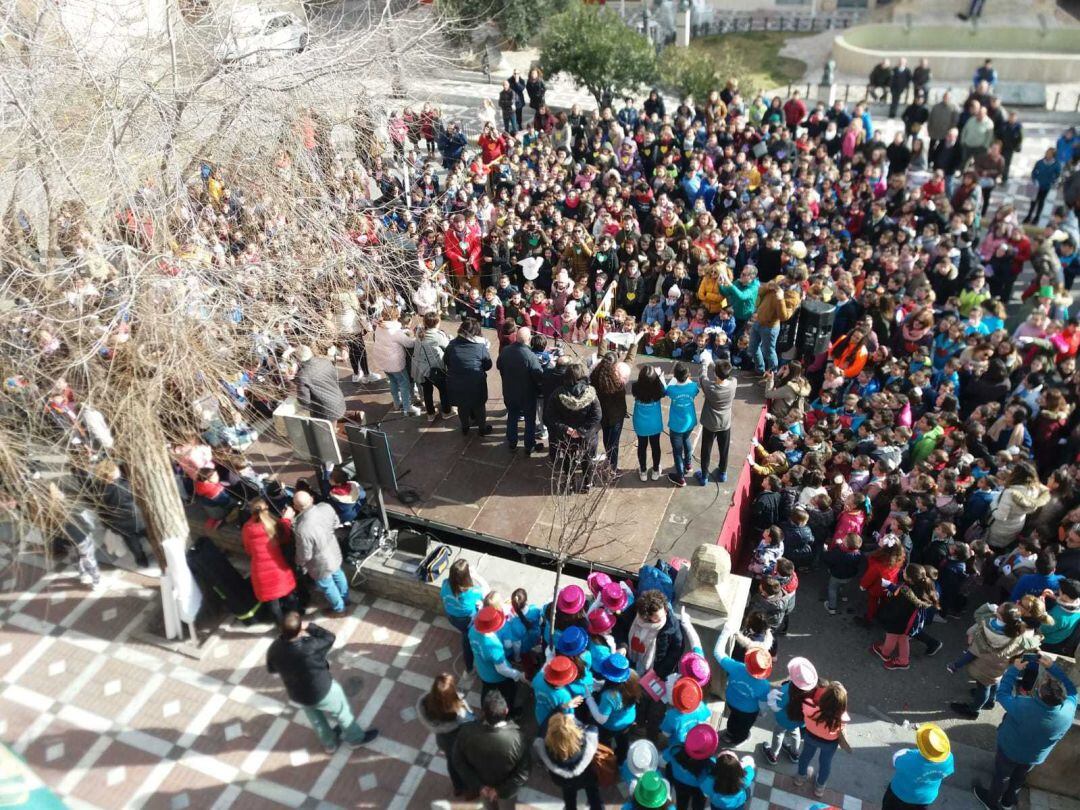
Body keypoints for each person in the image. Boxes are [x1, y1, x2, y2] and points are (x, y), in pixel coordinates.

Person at [972, 655, 1077, 810]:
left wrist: (1014, 669)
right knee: (1019, 778)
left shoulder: (1023, 706)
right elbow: (1072, 689)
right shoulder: (1069, 709)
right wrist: (1052, 667)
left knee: (1001, 776)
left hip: (1009, 750)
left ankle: (992, 801)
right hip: (1034, 756)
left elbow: (1002, 694)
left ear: (1041, 695)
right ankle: (1008, 802)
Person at [266, 611, 378, 752]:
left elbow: (272, 669)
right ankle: (355, 739)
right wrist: (310, 627)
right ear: (299, 629)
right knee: (342, 712)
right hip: (322, 690)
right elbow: (329, 637)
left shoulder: (274, 648)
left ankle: (329, 744)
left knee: (316, 719)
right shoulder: (310, 646)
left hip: (297, 693)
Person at [452, 690, 531, 810]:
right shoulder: (518, 738)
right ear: (506, 711)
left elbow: (458, 761)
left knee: (488, 806)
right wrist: (500, 790)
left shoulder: (466, 732)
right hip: (506, 791)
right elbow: (523, 773)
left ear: (484, 712)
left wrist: (480, 786)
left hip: (482, 786)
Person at [545, 361, 603, 491]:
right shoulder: (591, 394)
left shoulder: (558, 394)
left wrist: (566, 429)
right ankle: (587, 484)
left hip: (566, 435)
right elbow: (597, 416)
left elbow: (550, 416)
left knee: (567, 458)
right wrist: (581, 431)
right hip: (586, 435)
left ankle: (570, 483)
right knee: (587, 457)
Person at [241, 499, 299, 626]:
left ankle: (281, 626)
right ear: (267, 508)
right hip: (279, 568)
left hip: (260, 571)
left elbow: (248, 549)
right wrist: (286, 519)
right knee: (290, 597)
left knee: (273, 603)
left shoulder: (247, 527)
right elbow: (286, 536)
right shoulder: (274, 524)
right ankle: (295, 621)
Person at [291, 490, 348, 616]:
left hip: (319, 563)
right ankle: (345, 598)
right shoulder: (326, 507)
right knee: (338, 574)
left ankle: (339, 609)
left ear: (295, 507)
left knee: (328, 586)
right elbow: (336, 523)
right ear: (311, 499)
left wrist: (298, 563)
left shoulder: (301, 528)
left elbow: (305, 554)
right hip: (333, 551)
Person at [417, 673, 474, 797]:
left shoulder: (426, 702)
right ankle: (469, 790)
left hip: (442, 739)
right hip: (458, 738)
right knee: (464, 764)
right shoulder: (456, 708)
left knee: (451, 762)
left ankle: (457, 787)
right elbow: (469, 719)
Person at [534, 712, 603, 810]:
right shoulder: (586, 742)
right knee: (593, 792)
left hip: (563, 781)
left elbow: (540, 733)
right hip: (587, 776)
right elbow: (592, 728)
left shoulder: (546, 750)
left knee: (569, 797)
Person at [796, 680, 852, 799]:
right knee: (825, 763)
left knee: (805, 756)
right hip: (829, 743)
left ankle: (800, 778)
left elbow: (808, 700)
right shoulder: (841, 718)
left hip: (811, 737)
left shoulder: (808, 706)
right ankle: (819, 787)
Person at [882, 723, 955, 810]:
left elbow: (896, 760)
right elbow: (948, 772)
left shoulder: (910, 758)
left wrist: (909, 751)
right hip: (925, 798)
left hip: (900, 793)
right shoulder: (949, 759)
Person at [497, 326, 543, 455]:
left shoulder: (505, 351)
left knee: (512, 416)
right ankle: (529, 445)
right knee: (529, 420)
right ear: (529, 339)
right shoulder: (530, 356)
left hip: (509, 391)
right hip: (526, 395)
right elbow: (538, 375)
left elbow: (499, 365)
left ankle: (512, 442)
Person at [444, 318, 493, 436]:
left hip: (456, 382)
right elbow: (488, 365)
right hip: (475, 383)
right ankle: (482, 428)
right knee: (479, 405)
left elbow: (446, 361)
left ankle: (465, 427)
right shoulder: (480, 347)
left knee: (462, 405)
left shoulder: (452, 345)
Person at [470, 605, 526, 709]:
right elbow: (502, 669)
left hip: (482, 670)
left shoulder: (473, 630)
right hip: (496, 677)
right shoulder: (493, 646)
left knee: (487, 689)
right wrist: (518, 675)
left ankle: (486, 710)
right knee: (509, 692)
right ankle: (510, 712)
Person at [441, 559, 489, 673]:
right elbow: (487, 591)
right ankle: (469, 668)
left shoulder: (445, 584)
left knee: (464, 632)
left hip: (452, 617)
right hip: (467, 622)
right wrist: (476, 576)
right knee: (467, 641)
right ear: (466, 576)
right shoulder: (472, 592)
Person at [372, 306, 421, 416]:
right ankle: (407, 408)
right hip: (395, 363)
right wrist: (414, 337)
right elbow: (409, 343)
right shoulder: (395, 331)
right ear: (396, 316)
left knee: (393, 382)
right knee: (404, 384)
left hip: (383, 361)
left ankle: (396, 403)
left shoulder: (379, 327)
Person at [697, 356, 737, 485]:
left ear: (715, 373)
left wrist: (705, 363)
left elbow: (702, 377)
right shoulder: (734, 383)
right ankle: (723, 472)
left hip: (710, 424)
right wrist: (715, 366)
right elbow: (724, 374)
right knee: (724, 449)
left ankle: (704, 476)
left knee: (706, 451)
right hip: (725, 423)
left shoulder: (710, 387)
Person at [411, 312, 452, 422]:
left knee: (427, 391)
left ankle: (430, 414)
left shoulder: (419, 331)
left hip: (420, 369)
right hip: (434, 369)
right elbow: (448, 347)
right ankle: (447, 412)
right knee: (444, 390)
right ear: (437, 323)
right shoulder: (437, 336)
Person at [665, 361, 699, 488]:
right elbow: (696, 391)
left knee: (677, 452)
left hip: (676, 426)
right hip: (689, 422)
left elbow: (664, 391)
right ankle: (688, 464)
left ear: (675, 376)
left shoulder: (672, 389)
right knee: (687, 440)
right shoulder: (693, 386)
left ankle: (680, 478)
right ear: (688, 375)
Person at [294, 345, 347, 423]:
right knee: (335, 420)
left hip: (325, 412)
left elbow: (304, 401)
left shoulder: (303, 376)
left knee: (328, 431)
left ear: (298, 359)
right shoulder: (325, 361)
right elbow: (335, 378)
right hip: (339, 400)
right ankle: (356, 415)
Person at [632, 365, 666, 482]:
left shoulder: (635, 387)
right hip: (654, 423)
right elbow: (664, 391)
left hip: (640, 423)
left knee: (642, 446)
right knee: (655, 446)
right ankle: (656, 470)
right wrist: (660, 377)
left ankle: (643, 471)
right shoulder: (658, 389)